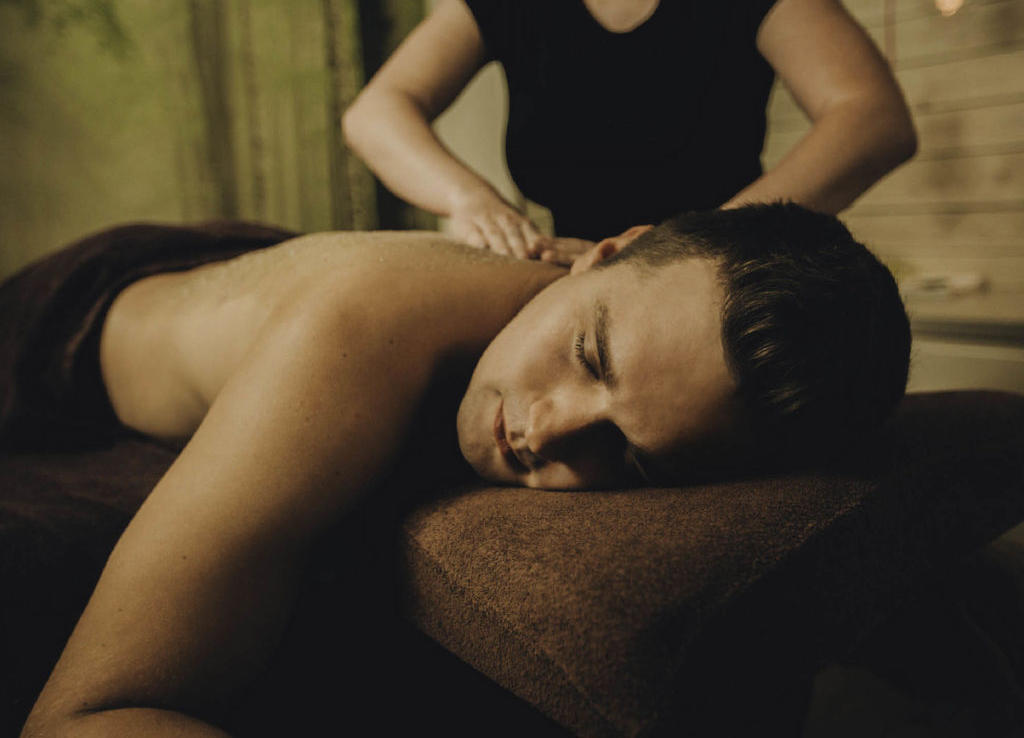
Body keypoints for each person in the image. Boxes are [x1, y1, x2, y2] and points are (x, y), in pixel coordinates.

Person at [15, 202, 909, 736]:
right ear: (605, 250)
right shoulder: (356, 333)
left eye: (626, 454)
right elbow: (85, 714)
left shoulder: (613, 300)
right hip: (76, 310)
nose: (545, 431)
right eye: (590, 355)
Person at [343, 0, 918, 263]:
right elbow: (376, 112)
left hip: (721, 273)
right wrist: (469, 199)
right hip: (572, 268)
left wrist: (689, 248)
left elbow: (873, 117)